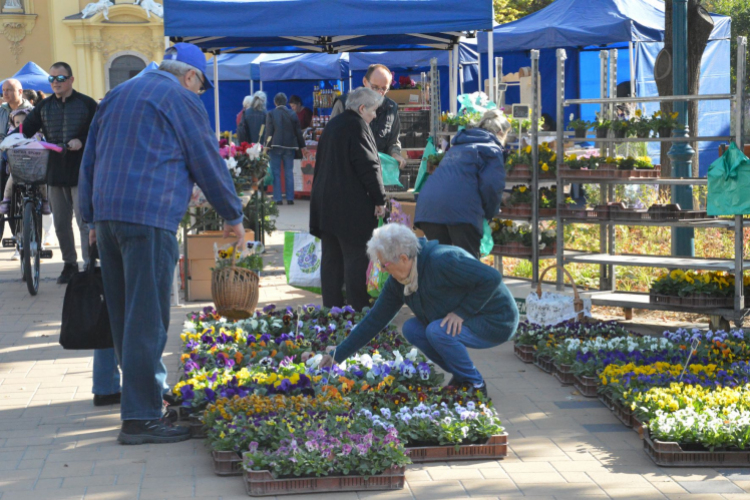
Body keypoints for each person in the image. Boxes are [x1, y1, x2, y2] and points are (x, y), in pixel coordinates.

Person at [79, 42, 245, 444]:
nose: (199, 94)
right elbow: (205, 157)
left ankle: (145, 397)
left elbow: (90, 158)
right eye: (201, 87)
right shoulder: (179, 99)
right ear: (189, 76)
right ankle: (140, 418)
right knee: (147, 318)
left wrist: (88, 217)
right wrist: (233, 214)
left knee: (124, 316)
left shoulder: (117, 94)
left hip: (109, 216)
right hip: (148, 217)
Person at [318, 223, 519, 395]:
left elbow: (491, 278)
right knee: (412, 328)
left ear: (404, 258)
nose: (382, 270)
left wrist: (461, 313)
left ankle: (474, 384)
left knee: (437, 331)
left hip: (496, 319)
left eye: (383, 264)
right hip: (472, 316)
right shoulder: (400, 281)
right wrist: (338, 355)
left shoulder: (443, 260)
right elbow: (375, 320)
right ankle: (462, 377)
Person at [309, 87, 386, 311]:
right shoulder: (357, 126)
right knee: (355, 258)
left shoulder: (333, 124)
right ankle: (358, 309)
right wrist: (380, 199)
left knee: (331, 259)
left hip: (325, 205)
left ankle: (331, 309)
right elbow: (369, 167)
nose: (374, 116)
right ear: (362, 108)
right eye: (373, 111)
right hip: (350, 207)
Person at [21, 62, 98, 284]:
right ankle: (69, 265)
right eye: (52, 79)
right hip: (54, 173)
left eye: (60, 78)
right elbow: (26, 129)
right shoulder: (44, 106)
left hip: (81, 173)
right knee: (61, 224)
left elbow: (100, 132)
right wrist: (17, 137)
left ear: (71, 80)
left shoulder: (87, 104)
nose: (55, 82)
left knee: (85, 222)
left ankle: (88, 265)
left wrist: (81, 141)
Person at [415, 109, 510, 258]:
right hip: (461, 211)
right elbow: (492, 186)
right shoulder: (491, 150)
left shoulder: (458, 146)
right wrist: (489, 214)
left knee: (441, 264)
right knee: (467, 265)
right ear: (499, 132)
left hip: (429, 209)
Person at [331, 64, 406, 169]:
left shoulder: (391, 108)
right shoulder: (344, 103)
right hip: (349, 170)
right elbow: (332, 139)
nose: (379, 93)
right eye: (375, 87)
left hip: (378, 170)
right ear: (365, 82)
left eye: (384, 89)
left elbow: (393, 142)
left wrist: (396, 155)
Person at [0, 108, 51, 218]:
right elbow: (6, 147)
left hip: (35, 167)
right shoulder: (12, 135)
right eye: (17, 122)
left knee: (42, 181)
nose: (20, 124)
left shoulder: (37, 134)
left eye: (24, 121)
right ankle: (6, 200)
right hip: (18, 167)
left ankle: (45, 200)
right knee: (11, 179)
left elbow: (44, 145)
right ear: (13, 123)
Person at [265, 92, 305, 205]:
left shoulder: (271, 114)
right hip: (290, 146)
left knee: (276, 173)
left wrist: (266, 146)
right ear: (285, 102)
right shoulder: (292, 113)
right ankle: (290, 198)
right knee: (289, 172)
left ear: (275, 102)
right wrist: (303, 146)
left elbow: (269, 131)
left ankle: (278, 199)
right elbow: (298, 131)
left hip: (275, 146)